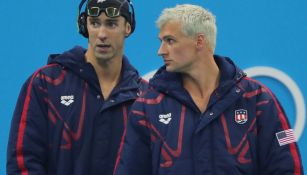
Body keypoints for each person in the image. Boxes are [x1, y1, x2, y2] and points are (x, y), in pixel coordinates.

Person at [114, 4, 304, 175]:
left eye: (170, 41)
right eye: (161, 41)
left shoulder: (258, 99)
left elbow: (287, 168)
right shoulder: (147, 106)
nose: (161, 50)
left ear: (199, 41)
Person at [7, 0, 147, 174]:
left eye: (111, 24)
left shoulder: (148, 98)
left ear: (128, 27)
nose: (102, 34)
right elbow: (23, 162)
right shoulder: (45, 84)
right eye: (95, 23)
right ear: (84, 26)